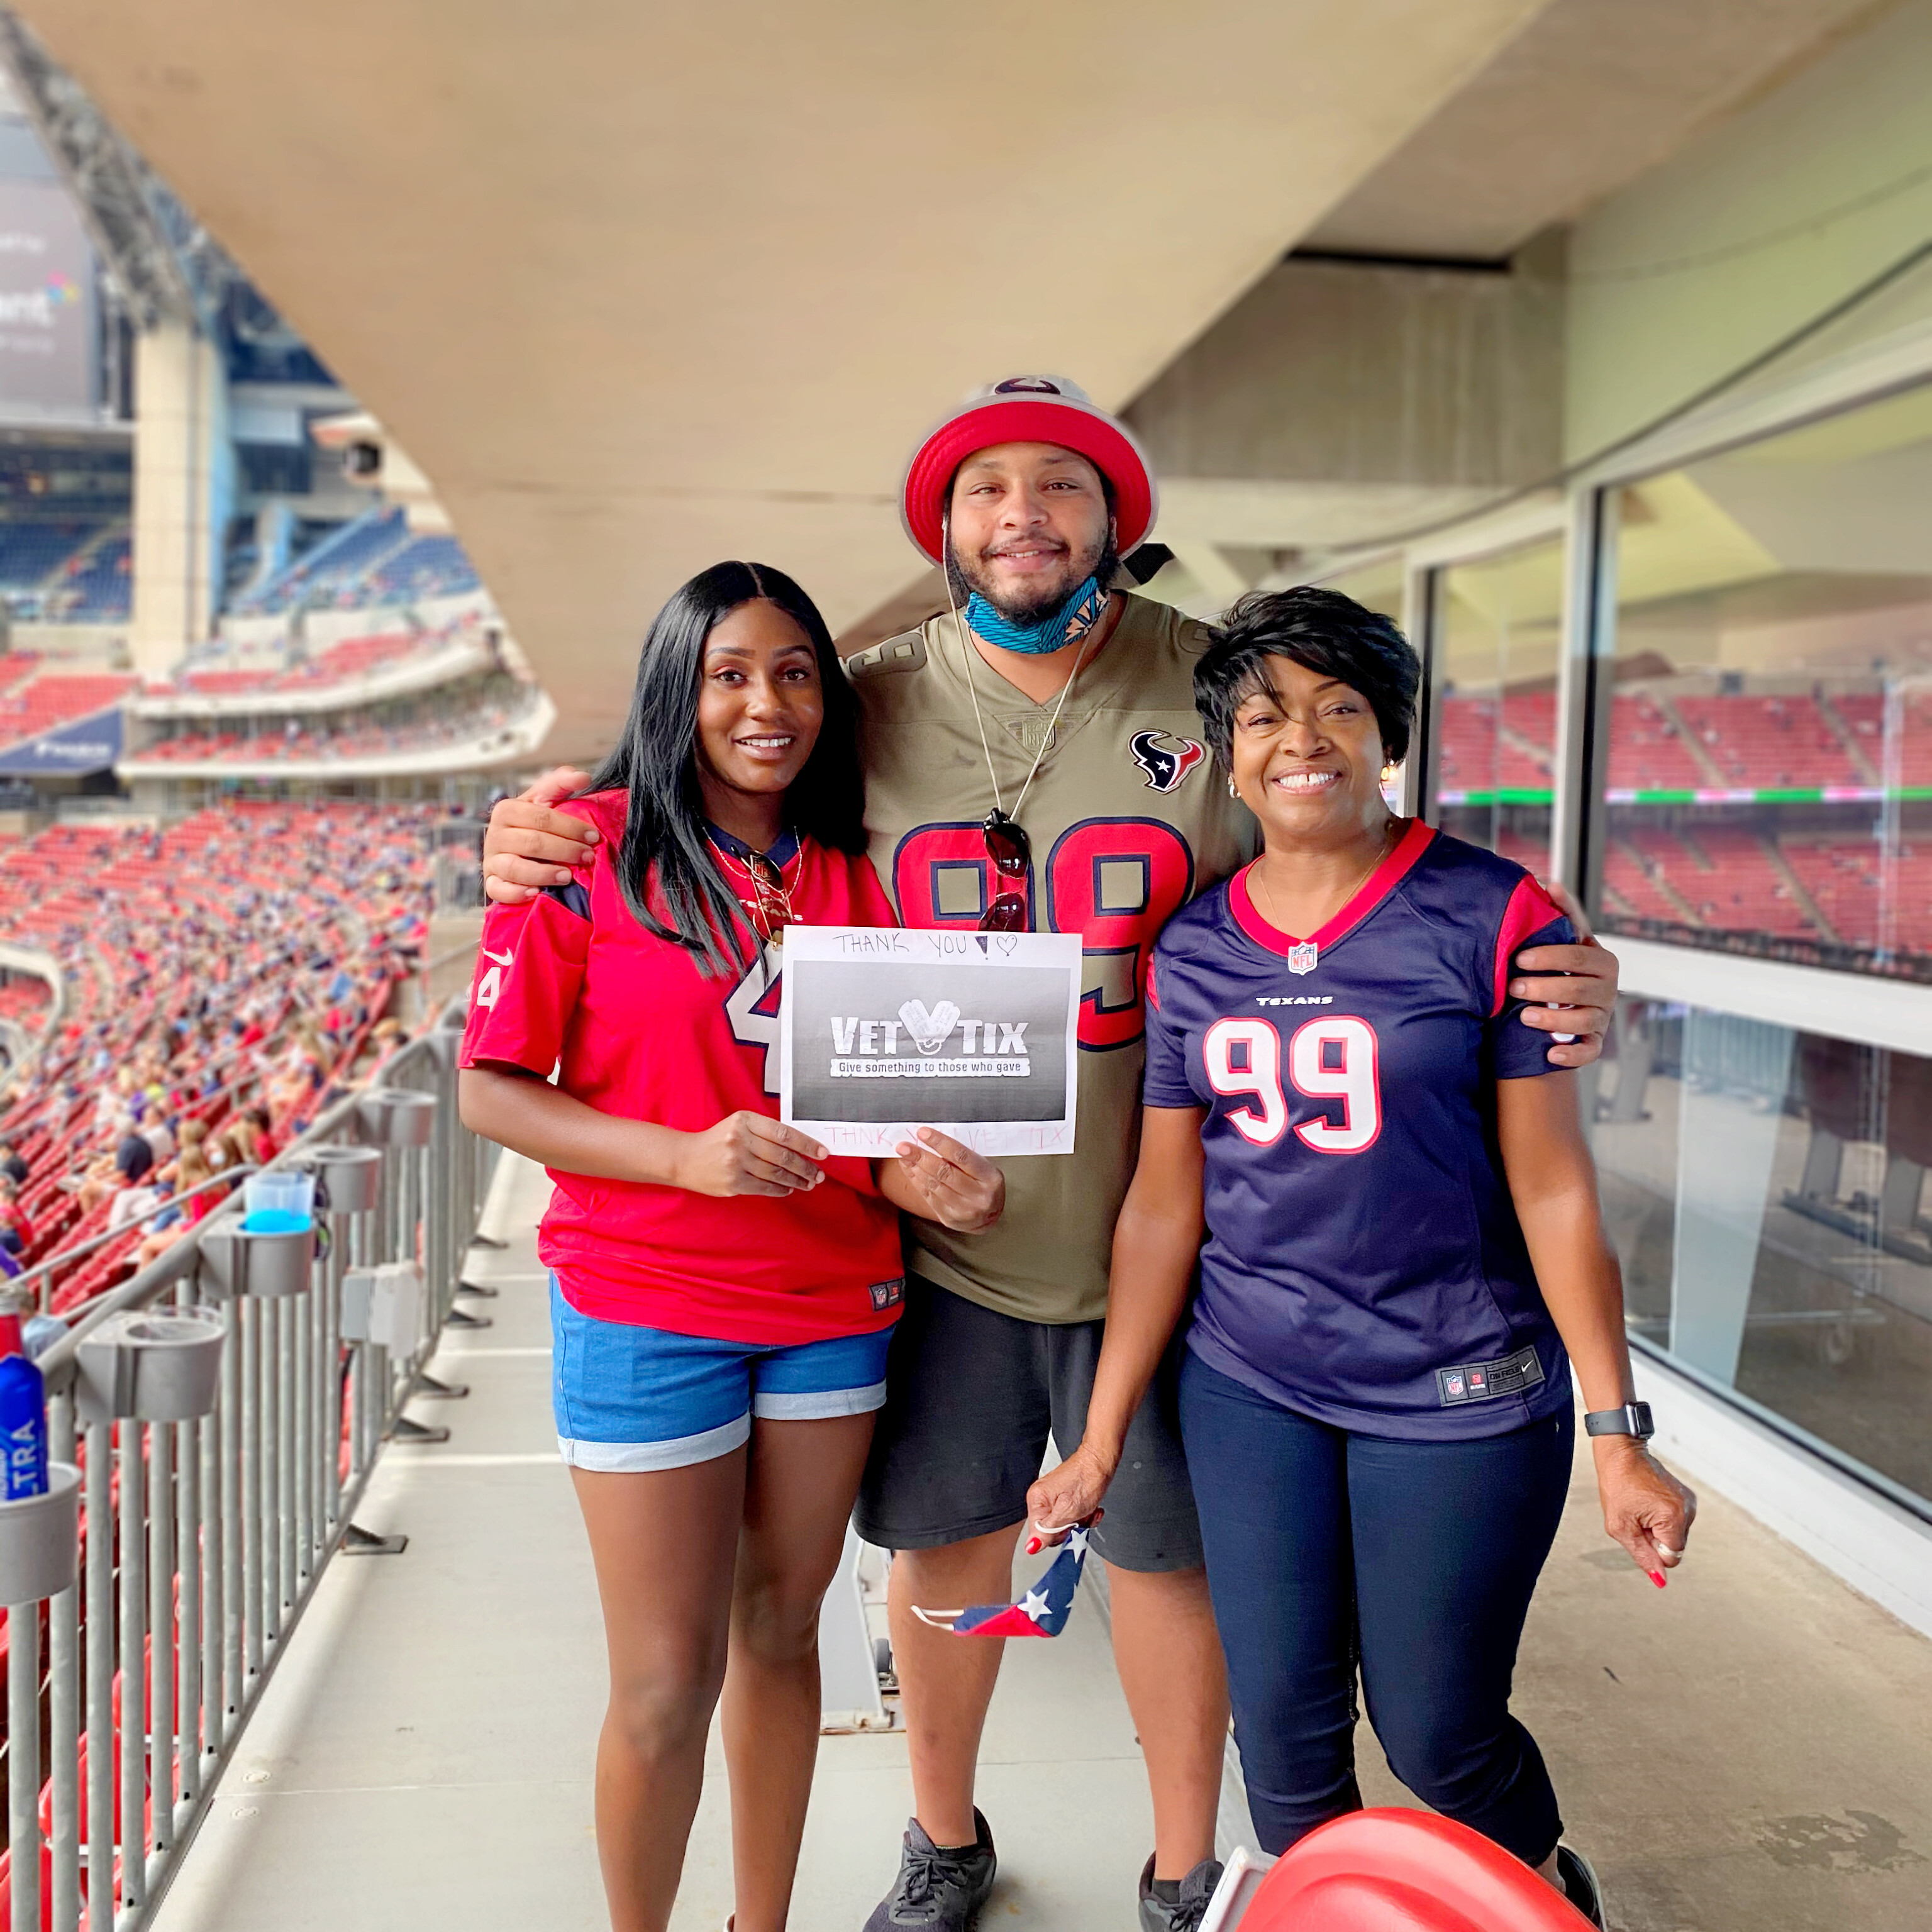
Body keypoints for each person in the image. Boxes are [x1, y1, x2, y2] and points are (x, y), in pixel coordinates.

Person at [478, 377, 1623, 1932]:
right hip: (941, 1237)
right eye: (988, 489)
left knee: (1166, 1560)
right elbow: (710, 784)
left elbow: (1345, 825)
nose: (1024, 515)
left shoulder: (1215, 679)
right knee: (946, 1541)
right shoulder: (862, 700)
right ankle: (943, 1837)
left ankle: (1182, 1867)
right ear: (943, 527)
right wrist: (538, 831)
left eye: (1061, 485)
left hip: (1178, 1235)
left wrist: (1554, 952)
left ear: (1117, 517)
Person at [1028, 587, 1696, 1930]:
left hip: (1457, 1387)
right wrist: (1097, 1442)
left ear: (1390, 735)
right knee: (1282, 1744)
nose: (1303, 739)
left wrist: (1619, 1434)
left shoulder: (1495, 913)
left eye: (1340, 706)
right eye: (1266, 714)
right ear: (1226, 753)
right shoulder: (1194, 946)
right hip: (1252, 1386)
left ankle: (1540, 1900)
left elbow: (1554, 1187)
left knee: (1441, 1732)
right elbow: (1164, 1208)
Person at [457, 560, 1005, 1932]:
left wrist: (929, 1179)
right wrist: (681, 1158)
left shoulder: (858, 866)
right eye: (731, 675)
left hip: (831, 1304)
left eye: (796, 673)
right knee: (663, 1681)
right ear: (677, 691)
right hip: (645, 1304)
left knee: (782, 1630)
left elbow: (869, 1102)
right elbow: (492, 1092)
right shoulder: (581, 850)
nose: (768, 704)